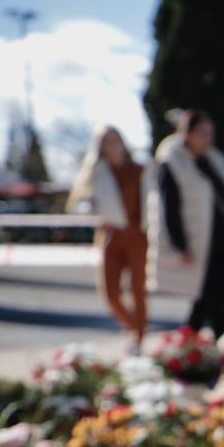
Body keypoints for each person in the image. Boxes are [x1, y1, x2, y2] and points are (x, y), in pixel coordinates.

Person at [148, 110, 224, 337]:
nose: (208, 139)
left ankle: (197, 347)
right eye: (202, 133)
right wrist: (180, 244)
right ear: (187, 134)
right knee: (207, 299)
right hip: (199, 243)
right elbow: (170, 208)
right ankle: (193, 347)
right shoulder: (173, 163)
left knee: (216, 299)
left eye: (210, 133)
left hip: (222, 241)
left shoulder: (214, 161)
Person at [67, 125, 149, 351]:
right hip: (111, 235)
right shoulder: (97, 173)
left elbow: (151, 204)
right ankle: (135, 327)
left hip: (137, 236)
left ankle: (138, 338)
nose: (111, 146)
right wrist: (88, 207)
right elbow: (81, 201)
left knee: (137, 290)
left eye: (115, 140)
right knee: (110, 293)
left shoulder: (139, 171)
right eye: (106, 142)